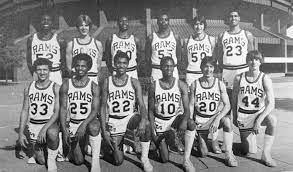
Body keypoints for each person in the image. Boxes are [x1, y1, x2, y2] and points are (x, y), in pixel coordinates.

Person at [100, 51, 153, 172]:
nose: (121, 66)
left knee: (147, 125)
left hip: (129, 117)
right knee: (118, 161)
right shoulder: (107, 81)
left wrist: (143, 120)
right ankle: (118, 144)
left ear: (128, 64)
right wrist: (104, 130)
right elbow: (102, 107)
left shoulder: (134, 81)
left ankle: (144, 159)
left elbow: (142, 105)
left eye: (124, 63)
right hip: (114, 120)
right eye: (119, 63)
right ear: (114, 64)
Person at [183, 56, 238, 172]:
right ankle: (192, 149)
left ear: (214, 68)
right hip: (200, 122)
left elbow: (227, 105)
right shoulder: (195, 84)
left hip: (214, 120)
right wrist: (191, 122)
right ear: (201, 68)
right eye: (206, 67)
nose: (208, 70)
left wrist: (217, 119)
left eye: (211, 67)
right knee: (203, 154)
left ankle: (229, 153)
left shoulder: (219, 84)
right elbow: (191, 105)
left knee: (227, 121)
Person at [232, 50, 277, 167]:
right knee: (248, 152)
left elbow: (271, 103)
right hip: (244, 115)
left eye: (256, 59)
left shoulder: (265, 78)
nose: (253, 62)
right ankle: (248, 139)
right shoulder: (238, 78)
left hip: (258, 113)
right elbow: (234, 99)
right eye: (251, 59)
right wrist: (235, 117)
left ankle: (266, 154)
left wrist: (259, 120)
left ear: (260, 62)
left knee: (272, 120)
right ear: (247, 61)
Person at [59, 53, 102, 172]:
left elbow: (95, 110)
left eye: (83, 66)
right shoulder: (67, 84)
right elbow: (63, 109)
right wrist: (64, 130)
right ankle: (83, 145)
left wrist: (83, 125)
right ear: (74, 67)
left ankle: (95, 163)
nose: (80, 68)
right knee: (78, 161)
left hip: (88, 121)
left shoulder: (94, 86)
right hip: (73, 123)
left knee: (94, 127)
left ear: (88, 67)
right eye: (77, 66)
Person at [17, 58, 60, 172]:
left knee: (53, 133)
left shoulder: (55, 87)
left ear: (49, 70)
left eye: (45, 69)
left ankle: (52, 159)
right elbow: (25, 110)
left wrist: (44, 129)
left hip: (49, 125)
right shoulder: (29, 88)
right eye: (39, 70)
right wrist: (21, 134)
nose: (42, 72)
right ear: (35, 71)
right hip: (34, 126)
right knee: (40, 160)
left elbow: (57, 112)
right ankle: (44, 150)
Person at [148, 56, 189, 163]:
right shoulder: (154, 85)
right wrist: (153, 132)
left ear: (174, 67)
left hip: (174, 119)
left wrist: (184, 121)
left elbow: (187, 109)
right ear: (161, 68)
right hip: (160, 121)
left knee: (191, 123)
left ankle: (187, 156)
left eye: (171, 66)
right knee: (165, 159)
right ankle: (161, 143)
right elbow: (150, 111)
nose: (169, 69)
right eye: (166, 66)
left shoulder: (181, 84)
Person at [216, 10, 254, 119]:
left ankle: (246, 122)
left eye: (236, 16)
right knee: (227, 99)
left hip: (242, 69)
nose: (233, 18)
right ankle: (227, 125)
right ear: (227, 19)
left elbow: (252, 55)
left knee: (244, 98)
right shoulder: (222, 35)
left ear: (239, 18)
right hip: (228, 71)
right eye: (231, 16)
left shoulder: (247, 34)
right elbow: (219, 55)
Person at [26, 14, 66, 85]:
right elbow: (29, 61)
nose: (46, 22)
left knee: (55, 95)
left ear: (52, 23)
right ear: (39, 23)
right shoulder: (31, 39)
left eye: (48, 20)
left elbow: (63, 62)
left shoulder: (59, 39)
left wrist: (59, 75)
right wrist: (35, 73)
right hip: (38, 73)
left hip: (54, 73)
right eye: (43, 20)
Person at [66, 14, 103, 84]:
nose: (84, 28)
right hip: (77, 78)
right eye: (81, 25)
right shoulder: (71, 44)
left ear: (90, 27)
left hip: (92, 77)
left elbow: (98, 65)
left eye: (86, 25)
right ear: (77, 27)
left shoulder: (97, 44)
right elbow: (69, 67)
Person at [145, 13, 182, 81]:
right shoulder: (151, 37)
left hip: (171, 70)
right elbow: (147, 58)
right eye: (161, 20)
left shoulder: (175, 37)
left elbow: (179, 57)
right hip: (157, 70)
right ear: (157, 22)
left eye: (166, 20)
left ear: (169, 22)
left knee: (174, 91)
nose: (163, 22)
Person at [184, 15, 216, 86]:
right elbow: (186, 59)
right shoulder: (187, 40)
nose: (198, 27)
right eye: (196, 24)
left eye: (201, 24)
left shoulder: (211, 39)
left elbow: (212, 57)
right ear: (193, 26)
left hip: (205, 73)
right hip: (191, 73)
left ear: (204, 25)